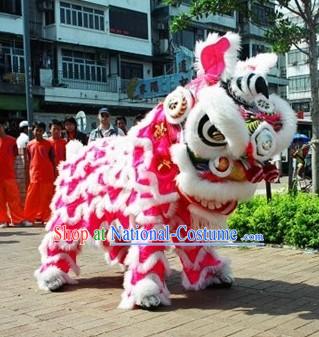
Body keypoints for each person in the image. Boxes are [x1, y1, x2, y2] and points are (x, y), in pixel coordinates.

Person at [24, 122, 55, 225]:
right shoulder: (29, 144)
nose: (38, 132)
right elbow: (28, 160)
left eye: (40, 130)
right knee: (32, 197)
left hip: (47, 174)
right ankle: (29, 218)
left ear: (43, 131)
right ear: (33, 131)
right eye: (36, 130)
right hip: (34, 174)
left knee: (46, 197)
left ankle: (46, 218)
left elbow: (52, 160)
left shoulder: (49, 144)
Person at [0, 120, 29, 227]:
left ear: (3, 126)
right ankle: (3, 220)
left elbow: (16, 156)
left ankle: (18, 220)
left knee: (14, 199)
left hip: (9, 175)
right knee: (0, 200)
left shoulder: (12, 141)